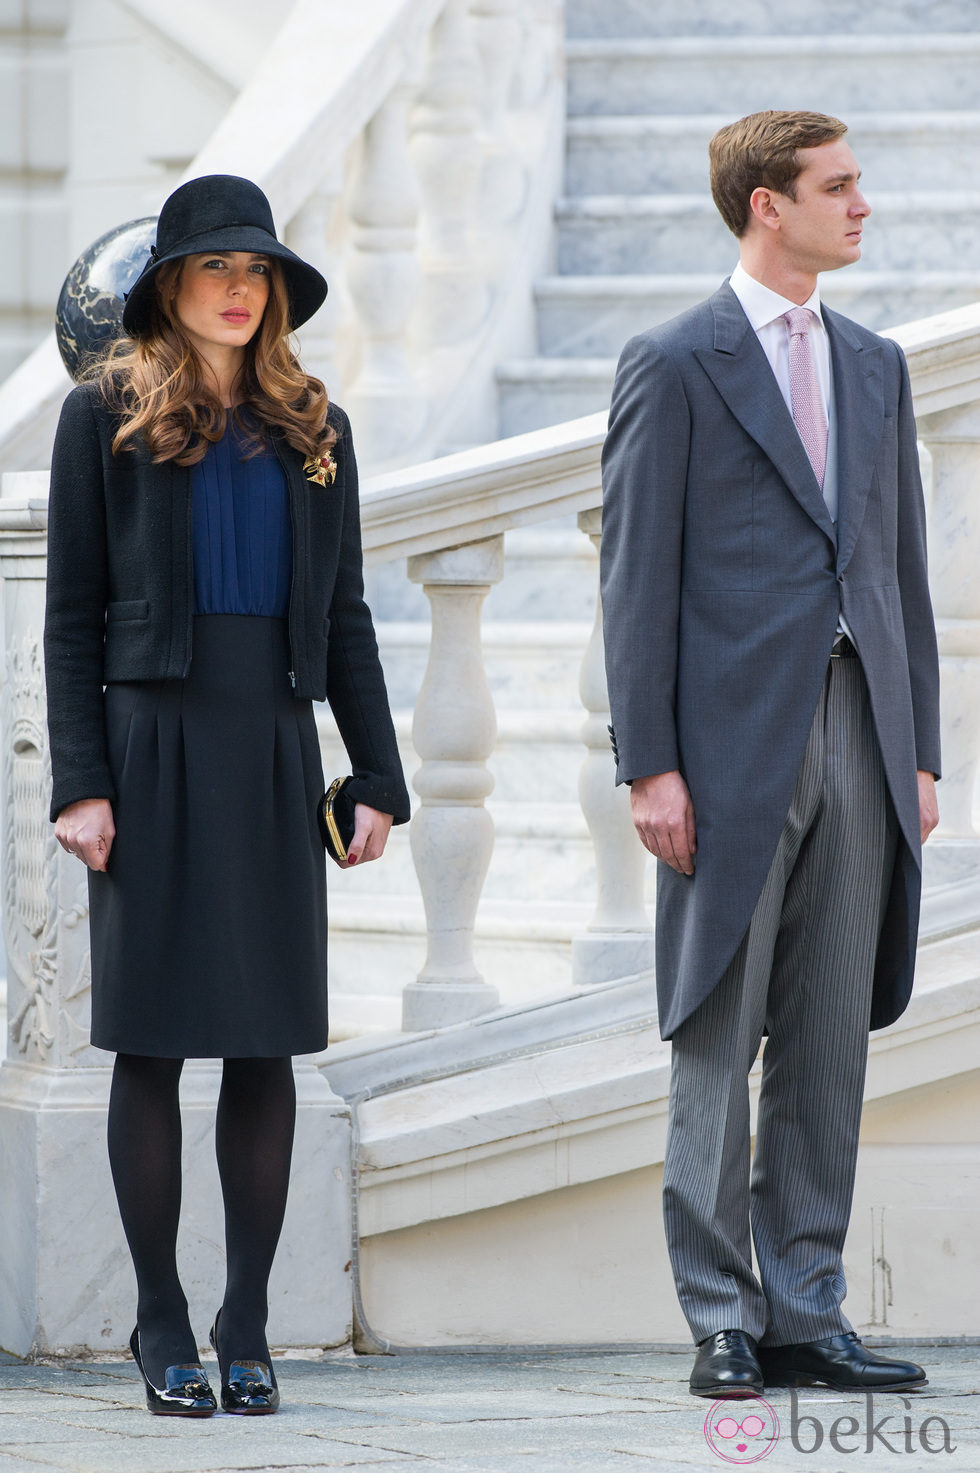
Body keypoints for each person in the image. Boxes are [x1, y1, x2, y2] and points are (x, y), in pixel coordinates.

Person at [44, 175, 410, 1417]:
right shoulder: (102, 418)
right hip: (149, 751)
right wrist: (82, 785)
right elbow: (70, 620)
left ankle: (245, 1320)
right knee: (148, 1044)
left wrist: (375, 772)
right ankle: (159, 1320)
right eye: (219, 271)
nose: (242, 291)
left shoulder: (318, 428)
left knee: (265, 1043)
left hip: (270, 748)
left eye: (258, 274)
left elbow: (347, 612)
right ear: (171, 287)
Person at [600, 112, 940, 1398]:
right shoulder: (672, 362)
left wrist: (917, 752)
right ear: (764, 206)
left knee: (823, 1039)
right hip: (726, 752)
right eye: (836, 188)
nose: (861, 207)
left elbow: (898, 567)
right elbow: (634, 580)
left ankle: (804, 1308)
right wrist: (649, 765)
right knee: (713, 1034)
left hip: (862, 734)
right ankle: (720, 1320)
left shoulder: (873, 363)